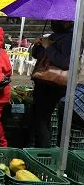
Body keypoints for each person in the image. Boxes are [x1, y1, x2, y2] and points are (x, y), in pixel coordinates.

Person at [29, 20, 73, 148]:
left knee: (42, 118)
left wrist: (48, 46)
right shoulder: (54, 36)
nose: (53, 22)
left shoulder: (71, 38)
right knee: (38, 117)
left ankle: (43, 151)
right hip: (42, 82)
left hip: (53, 85)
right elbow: (38, 56)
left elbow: (65, 63)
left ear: (68, 23)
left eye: (57, 20)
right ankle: (40, 147)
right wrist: (37, 46)